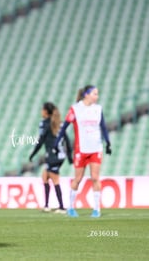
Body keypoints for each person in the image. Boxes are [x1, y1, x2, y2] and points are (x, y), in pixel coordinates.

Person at [54, 85, 111, 218]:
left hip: (96, 148)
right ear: (86, 94)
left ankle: (97, 209)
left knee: (95, 178)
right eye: (95, 94)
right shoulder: (75, 109)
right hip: (81, 149)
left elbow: (103, 127)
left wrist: (108, 143)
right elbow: (64, 128)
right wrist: (57, 142)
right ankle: (71, 207)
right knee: (78, 179)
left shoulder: (98, 109)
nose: (97, 96)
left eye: (97, 94)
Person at [29, 102, 72, 214]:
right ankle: (47, 205)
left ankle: (62, 207)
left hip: (52, 155)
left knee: (55, 179)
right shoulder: (59, 123)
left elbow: (41, 140)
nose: (41, 111)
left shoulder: (45, 124)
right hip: (59, 155)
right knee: (45, 176)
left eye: (42, 109)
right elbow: (67, 140)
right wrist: (69, 156)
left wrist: (33, 154)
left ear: (46, 111)